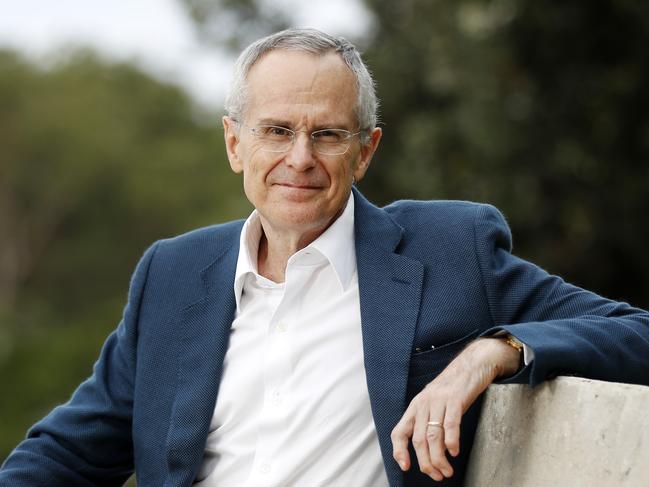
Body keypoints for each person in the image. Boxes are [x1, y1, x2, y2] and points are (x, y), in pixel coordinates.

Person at [1, 28, 648, 487]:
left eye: (328, 134)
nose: (301, 158)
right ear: (235, 143)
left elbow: (635, 331)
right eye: (277, 130)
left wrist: (493, 349)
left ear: (364, 151)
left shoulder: (449, 249)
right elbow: (71, 452)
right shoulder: (173, 273)